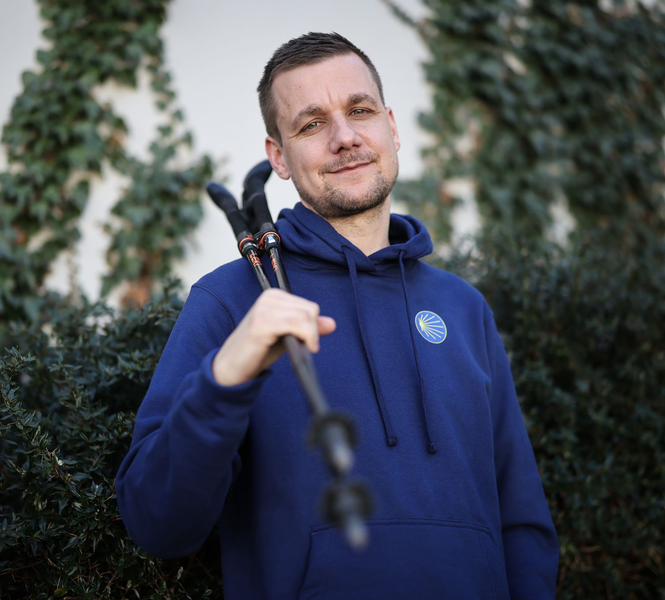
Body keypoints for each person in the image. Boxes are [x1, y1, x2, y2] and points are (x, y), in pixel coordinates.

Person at [116, 32, 559, 599]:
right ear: (278, 155)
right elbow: (158, 525)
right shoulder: (233, 302)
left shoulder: (462, 307)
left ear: (391, 126)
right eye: (311, 124)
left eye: (360, 111)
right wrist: (227, 377)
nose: (345, 137)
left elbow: (521, 520)